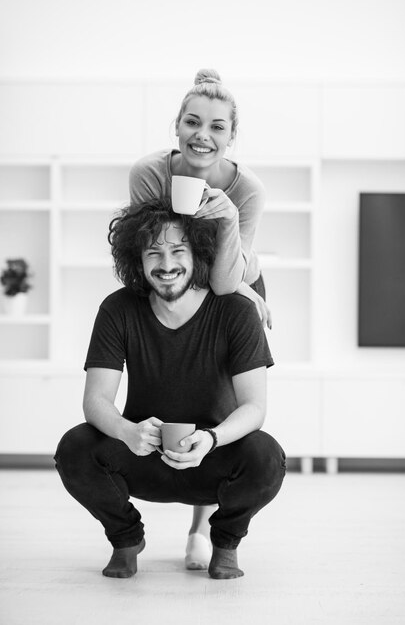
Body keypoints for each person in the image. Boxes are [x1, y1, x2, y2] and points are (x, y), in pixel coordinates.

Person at [54, 200, 286, 580]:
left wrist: (212, 439)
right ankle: (126, 538)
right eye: (153, 253)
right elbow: (96, 401)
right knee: (74, 448)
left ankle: (224, 543)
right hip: (142, 453)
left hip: (212, 456)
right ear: (137, 260)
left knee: (266, 457)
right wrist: (128, 431)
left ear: (199, 255)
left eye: (178, 250)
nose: (166, 264)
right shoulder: (118, 309)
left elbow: (255, 407)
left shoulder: (235, 312)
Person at [129, 68, 272, 568]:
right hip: (176, 279)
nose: (202, 135)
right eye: (193, 122)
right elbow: (145, 247)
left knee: (218, 403)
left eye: (216, 127)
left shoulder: (247, 188)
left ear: (232, 136)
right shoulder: (149, 173)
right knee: (177, 395)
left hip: (231, 282)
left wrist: (227, 218)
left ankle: (201, 529)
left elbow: (230, 277)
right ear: (177, 125)